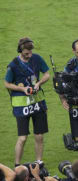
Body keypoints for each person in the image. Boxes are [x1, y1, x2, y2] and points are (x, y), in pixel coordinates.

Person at [4, 37, 50, 166]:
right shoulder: (13, 65)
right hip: (21, 106)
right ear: (20, 50)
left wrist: (39, 83)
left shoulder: (37, 58)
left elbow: (47, 74)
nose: (29, 55)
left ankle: (39, 162)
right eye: (26, 53)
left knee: (39, 135)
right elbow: (6, 83)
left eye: (30, 52)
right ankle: (17, 165)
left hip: (38, 103)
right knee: (23, 137)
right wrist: (22, 88)